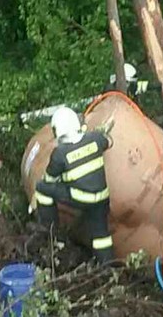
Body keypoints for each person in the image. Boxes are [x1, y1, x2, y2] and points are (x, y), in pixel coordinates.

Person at [32, 107, 114, 264]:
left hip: (80, 198)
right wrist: (99, 134)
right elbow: (109, 141)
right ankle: (108, 267)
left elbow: (49, 179)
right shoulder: (95, 138)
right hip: (102, 198)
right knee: (101, 236)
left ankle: (51, 233)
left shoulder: (60, 153)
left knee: (42, 187)